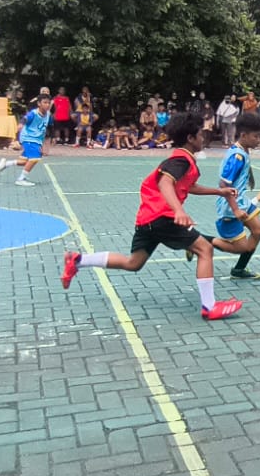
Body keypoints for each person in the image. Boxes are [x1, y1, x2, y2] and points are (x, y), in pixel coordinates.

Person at [60, 113, 244, 321]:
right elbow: (165, 183)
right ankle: (209, 307)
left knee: (133, 263)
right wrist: (178, 211)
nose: (204, 138)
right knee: (205, 248)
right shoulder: (180, 160)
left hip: (148, 219)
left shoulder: (183, 161)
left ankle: (78, 260)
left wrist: (219, 192)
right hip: (163, 217)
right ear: (191, 138)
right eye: (201, 135)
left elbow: (187, 186)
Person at [211, 113, 260, 280]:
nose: (258, 140)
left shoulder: (243, 150)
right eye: (256, 136)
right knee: (241, 247)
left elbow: (243, 168)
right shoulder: (236, 156)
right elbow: (224, 185)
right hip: (230, 206)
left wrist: (249, 178)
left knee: (258, 231)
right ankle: (201, 241)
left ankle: (239, 269)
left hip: (242, 200)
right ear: (243, 135)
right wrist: (236, 209)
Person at [0, 92, 51, 187]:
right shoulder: (33, 114)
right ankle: (21, 179)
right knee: (34, 159)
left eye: (48, 103)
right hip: (29, 138)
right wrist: (17, 139)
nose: (47, 105)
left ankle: (6, 164)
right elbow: (23, 121)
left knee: (24, 162)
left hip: (37, 140)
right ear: (39, 103)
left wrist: (41, 145)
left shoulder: (48, 115)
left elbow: (43, 130)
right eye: (45, 102)